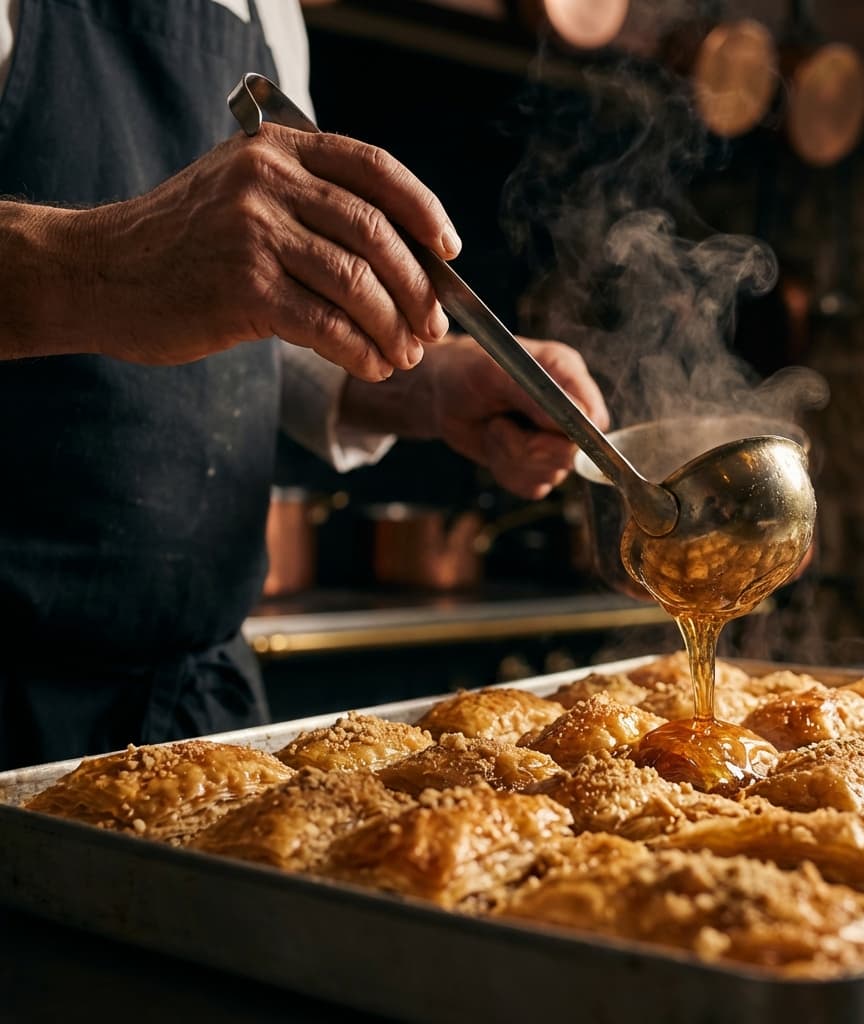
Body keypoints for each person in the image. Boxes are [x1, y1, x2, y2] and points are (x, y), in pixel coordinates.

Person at [0, 0, 609, 770]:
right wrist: (107, 261)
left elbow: (263, 314)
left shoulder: (271, 13)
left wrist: (431, 382)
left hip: (200, 706)